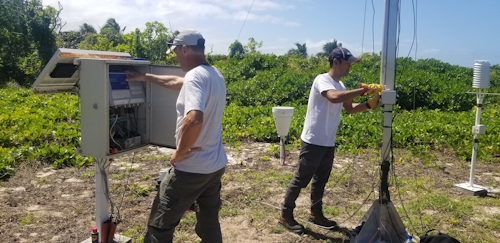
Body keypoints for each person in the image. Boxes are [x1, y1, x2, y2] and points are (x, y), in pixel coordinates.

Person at [126, 30, 227, 243]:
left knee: (159, 227)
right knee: (209, 223)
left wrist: (178, 155)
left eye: (176, 52)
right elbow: (175, 82)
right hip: (214, 165)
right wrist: (145, 77)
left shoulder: (194, 76)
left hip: (191, 168)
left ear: (185, 48)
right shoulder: (214, 74)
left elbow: (194, 120)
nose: (176, 57)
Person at [279, 47, 383, 234]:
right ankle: (285, 214)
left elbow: (349, 108)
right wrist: (361, 91)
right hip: (313, 140)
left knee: (321, 180)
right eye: (347, 62)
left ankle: (316, 213)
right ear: (335, 62)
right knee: (301, 179)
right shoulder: (322, 80)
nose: (349, 66)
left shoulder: (341, 85)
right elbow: (333, 98)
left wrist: (369, 104)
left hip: (327, 141)